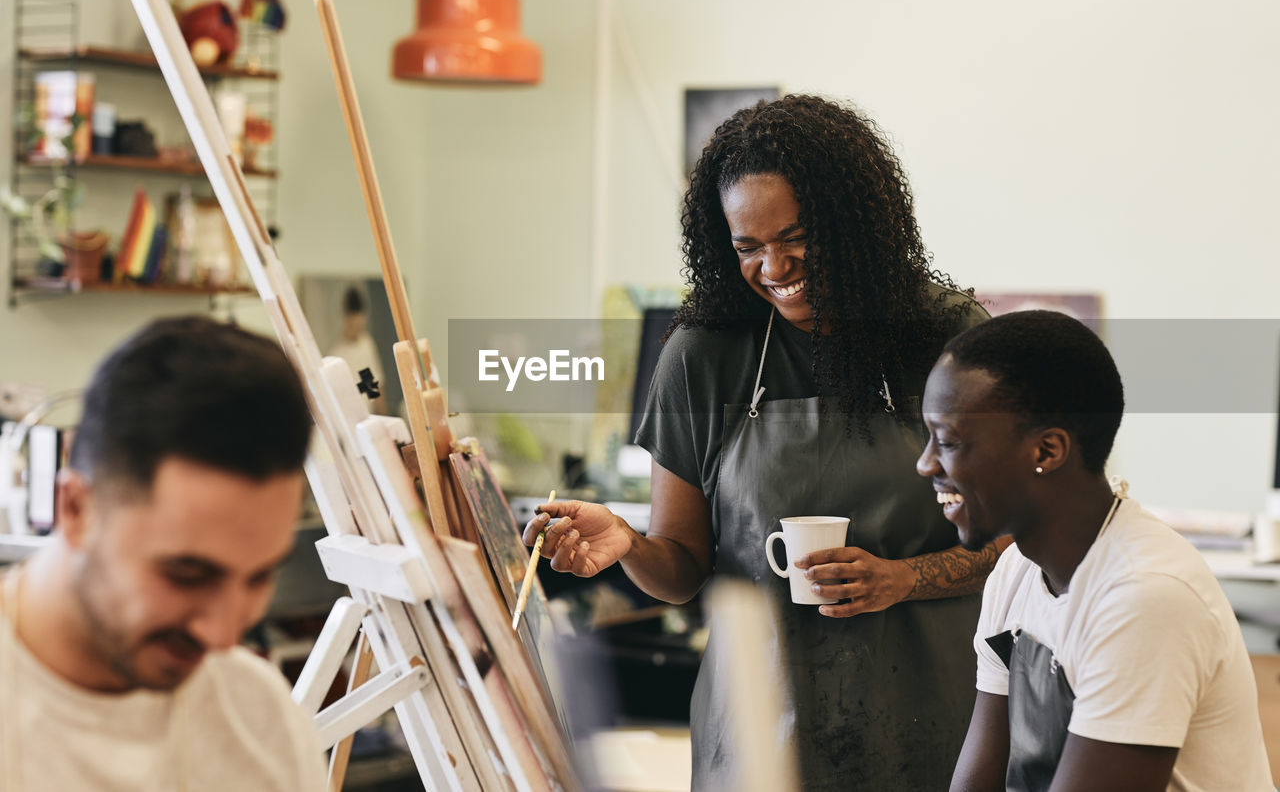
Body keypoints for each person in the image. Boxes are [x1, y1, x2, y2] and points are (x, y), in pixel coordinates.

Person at [524, 94, 1005, 789]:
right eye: (747, 247)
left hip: (933, 724)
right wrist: (627, 541)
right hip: (758, 733)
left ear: (854, 225)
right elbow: (684, 565)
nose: (774, 267)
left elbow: (1011, 541)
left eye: (796, 237)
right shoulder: (703, 354)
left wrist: (902, 579)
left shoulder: (943, 336)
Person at [916, 310, 1273, 791]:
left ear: (1047, 451)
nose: (925, 463)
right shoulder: (1016, 571)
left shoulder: (1145, 598)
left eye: (949, 441)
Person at [0, 316, 327, 791]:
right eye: (187, 574)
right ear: (75, 510)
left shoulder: (261, 718)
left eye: (258, 577)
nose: (222, 637)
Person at [329, 285, 387, 414]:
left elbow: (372, 387)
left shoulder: (366, 344)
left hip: (366, 416)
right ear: (347, 318)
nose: (358, 327)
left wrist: (384, 417)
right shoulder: (336, 354)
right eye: (355, 323)